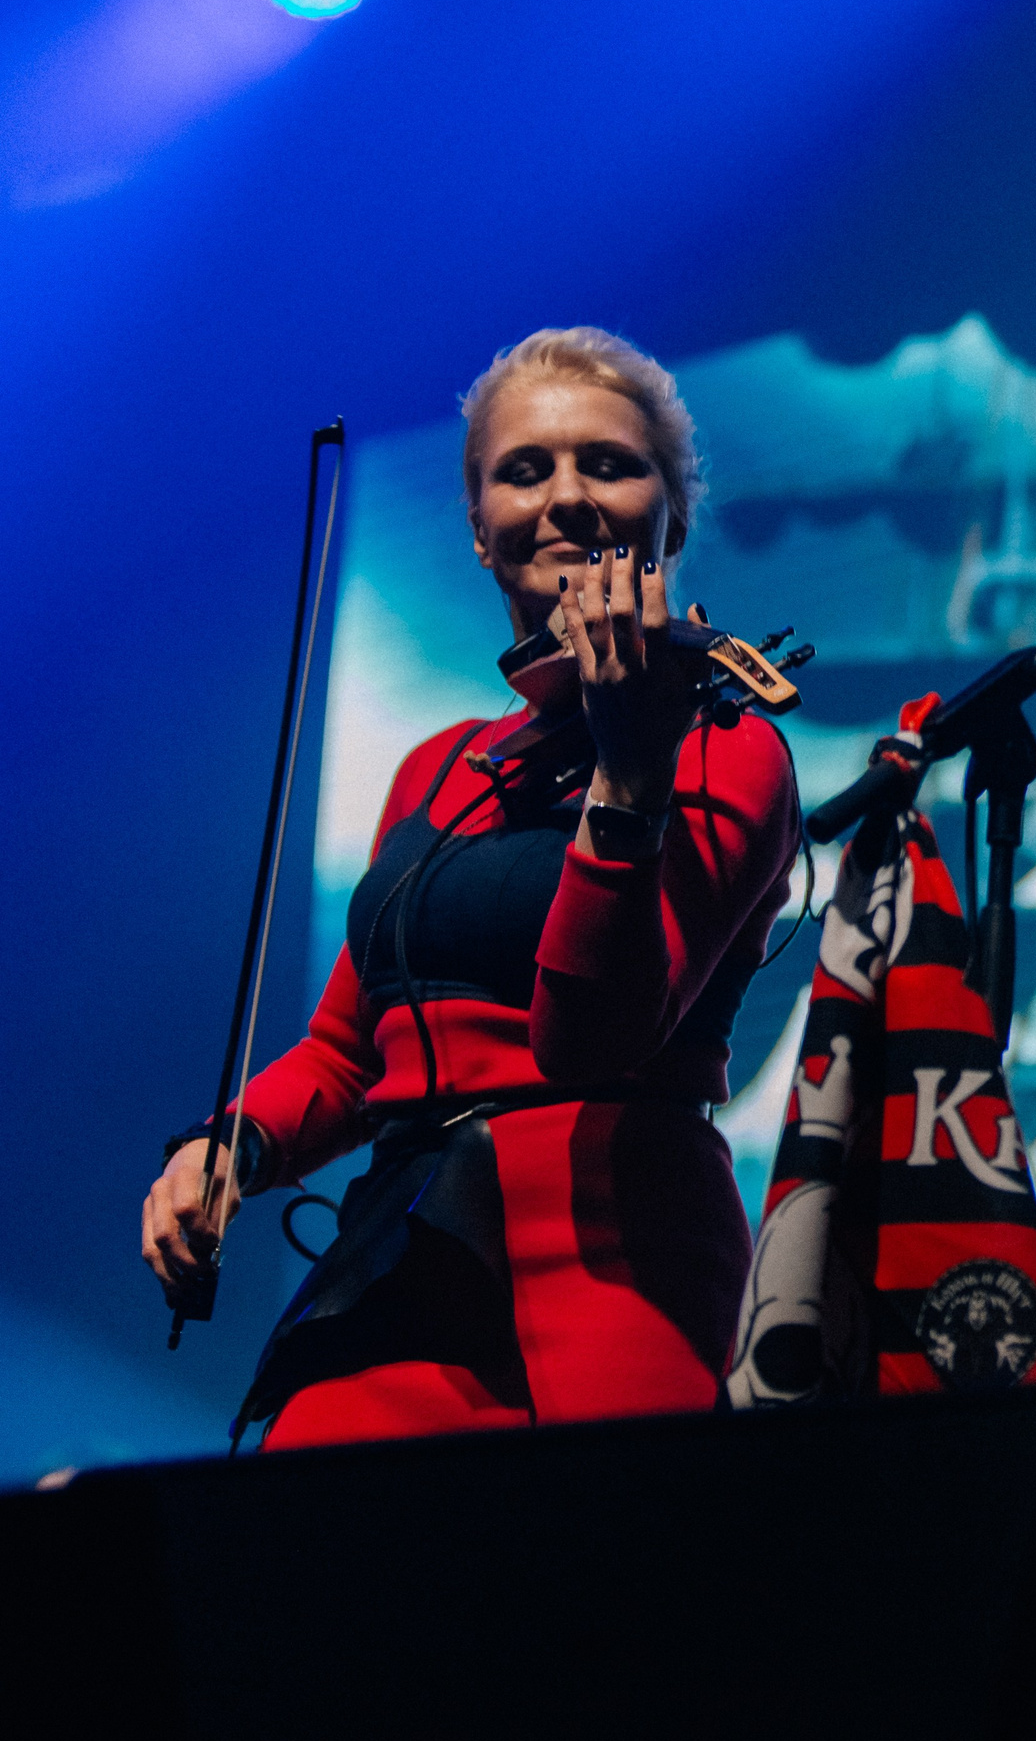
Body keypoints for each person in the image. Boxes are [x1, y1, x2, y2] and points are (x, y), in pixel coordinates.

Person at [142, 328, 800, 1448]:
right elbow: (352, 1050)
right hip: (406, 1241)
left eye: (609, 463)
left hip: (616, 1254)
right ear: (478, 525)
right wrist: (226, 1146)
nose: (567, 497)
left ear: (671, 512)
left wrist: (629, 771)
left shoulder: (723, 747)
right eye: (524, 470)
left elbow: (592, 1034)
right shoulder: (439, 766)